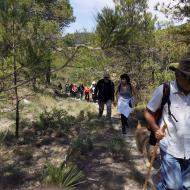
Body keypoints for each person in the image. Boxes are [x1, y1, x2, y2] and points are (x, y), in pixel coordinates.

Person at [144, 53, 190, 190]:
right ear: (177, 75)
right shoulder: (165, 90)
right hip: (170, 147)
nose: (189, 81)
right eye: (186, 77)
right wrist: (155, 128)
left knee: (187, 186)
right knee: (174, 186)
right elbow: (148, 112)